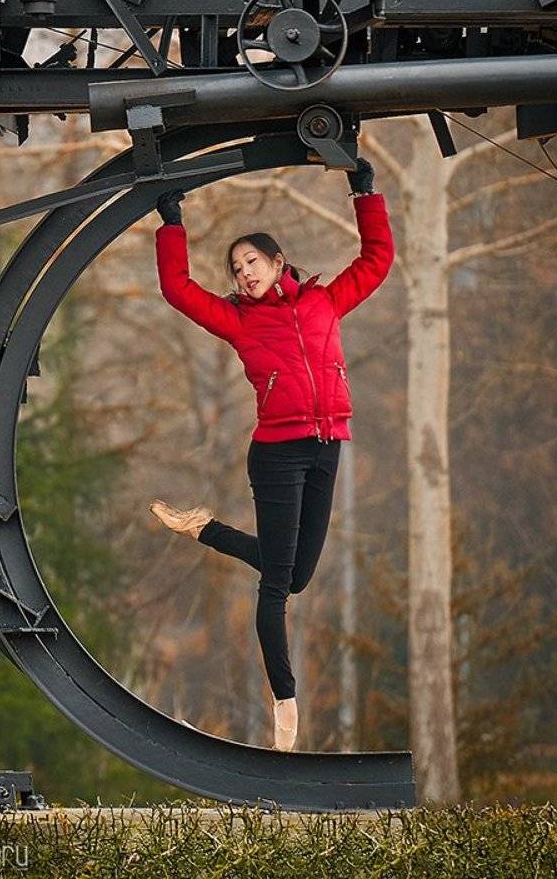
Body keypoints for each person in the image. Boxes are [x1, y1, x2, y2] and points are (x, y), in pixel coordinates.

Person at [146, 157, 394, 753]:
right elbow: (176, 288)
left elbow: (377, 260)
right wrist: (171, 221)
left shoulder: (324, 303)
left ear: (278, 262)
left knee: (299, 574)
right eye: (235, 268)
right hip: (278, 455)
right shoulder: (238, 321)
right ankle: (285, 704)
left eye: (252, 262)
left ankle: (203, 527)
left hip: (328, 447)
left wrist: (365, 190)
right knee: (278, 586)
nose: (244, 274)